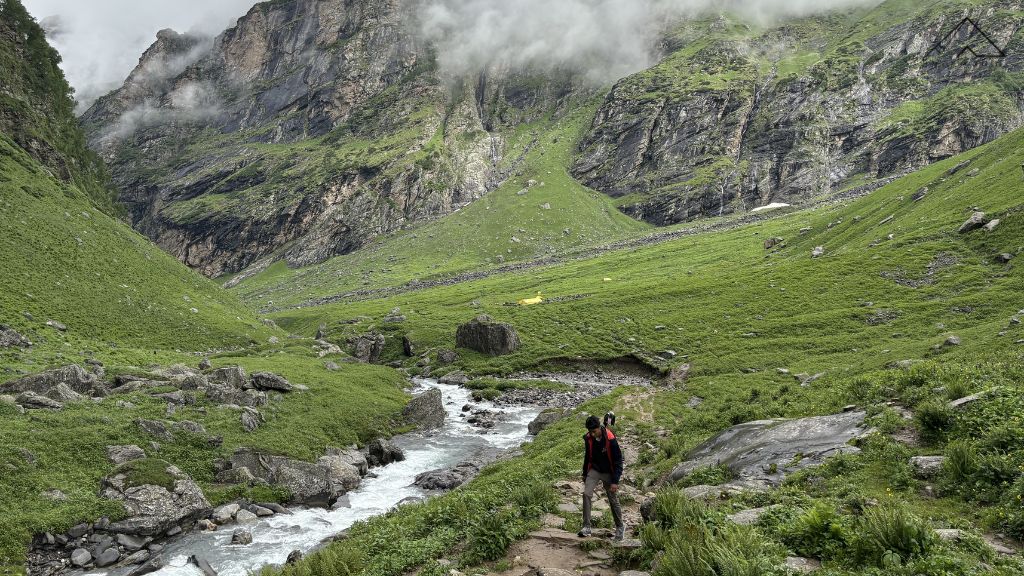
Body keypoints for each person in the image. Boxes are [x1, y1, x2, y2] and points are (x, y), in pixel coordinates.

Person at [578, 414, 624, 540]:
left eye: (594, 431)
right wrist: (584, 474)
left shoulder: (610, 438)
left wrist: (615, 481)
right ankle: (586, 527)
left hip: (609, 471)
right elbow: (587, 457)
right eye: (590, 432)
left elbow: (618, 461)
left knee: (612, 499)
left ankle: (620, 527)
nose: (592, 434)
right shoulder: (588, 438)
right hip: (595, 469)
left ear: (599, 427)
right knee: (586, 494)